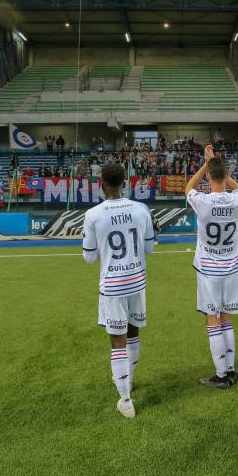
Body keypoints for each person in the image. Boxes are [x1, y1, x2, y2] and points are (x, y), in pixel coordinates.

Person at [82, 163, 156, 419]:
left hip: (113, 285)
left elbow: (89, 258)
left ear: (101, 183)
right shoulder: (141, 210)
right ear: (126, 181)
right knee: (133, 333)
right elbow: (149, 249)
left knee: (117, 341)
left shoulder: (93, 214)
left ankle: (125, 398)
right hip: (137, 280)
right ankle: (129, 380)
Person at [186, 145, 238, 389]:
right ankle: (230, 370)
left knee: (212, 319)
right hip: (231, 268)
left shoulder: (203, 201)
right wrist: (216, 167)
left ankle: (221, 376)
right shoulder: (236, 199)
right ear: (226, 175)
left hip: (209, 270)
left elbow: (188, 187)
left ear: (209, 176)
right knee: (226, 319)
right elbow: (237, 187)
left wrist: (205, 164)